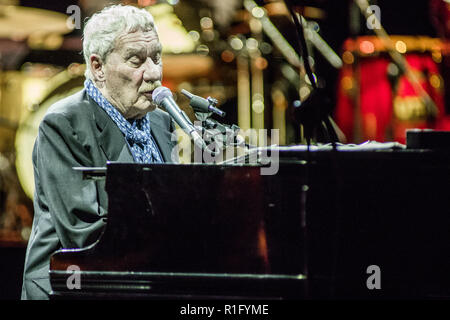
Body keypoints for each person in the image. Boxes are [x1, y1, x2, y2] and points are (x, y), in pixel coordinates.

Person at [21, 4, 177, 300]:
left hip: (141, 280)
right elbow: (83, 234)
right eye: (136, 61)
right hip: (71, 288)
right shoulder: (63, 124)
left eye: (157, 57)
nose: (153, 73)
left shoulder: (161, 120)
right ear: (97, 67)